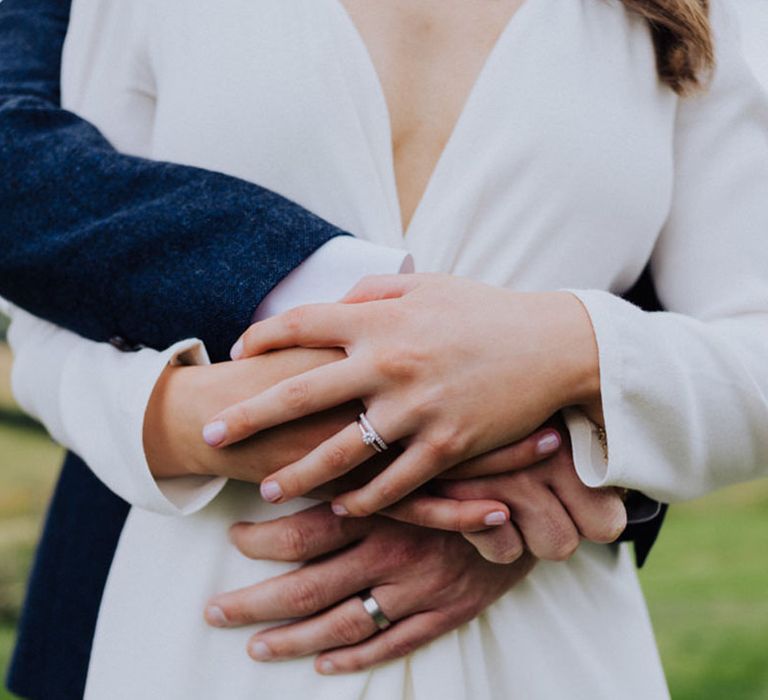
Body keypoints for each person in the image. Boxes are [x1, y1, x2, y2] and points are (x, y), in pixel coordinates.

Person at [2, 0, 765, 698]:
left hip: (544, 645)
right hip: (194, 623)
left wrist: (567, 352)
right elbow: (52, 291)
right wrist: (206, 419)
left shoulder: (706, 14)